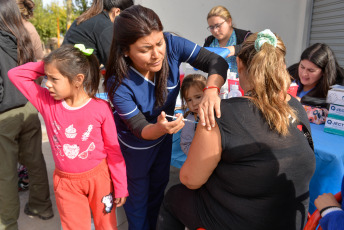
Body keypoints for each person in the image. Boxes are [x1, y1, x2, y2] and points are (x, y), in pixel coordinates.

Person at [157, 29, 316, 230]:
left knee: (173, 196)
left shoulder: (222, 114)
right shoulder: (296, 106)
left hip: (239, 221)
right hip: (292, 220)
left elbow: (190, 179)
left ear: (239, 65)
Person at [104, 5, 228, 230]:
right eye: (145, 49)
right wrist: (160, 128)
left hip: (162, 139)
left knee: (158, 192)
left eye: (159, 43)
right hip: (136, 148)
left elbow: (217, 62)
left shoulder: (172, 44)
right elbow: (139, 127)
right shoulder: (119, 83)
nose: (156, 54)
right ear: (125, 51)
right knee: (137, 204)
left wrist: (211, 90)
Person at [8, 44, 128, 230]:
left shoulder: (100, 108)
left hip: (100, 180)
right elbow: (15, 75)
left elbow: (113, 150)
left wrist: (120, 185)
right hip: (66, 184)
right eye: (46, 77)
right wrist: (49, 64)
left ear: (78, 79)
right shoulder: (47, 102)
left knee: (107, 226)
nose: (47, 83)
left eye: (54, 78)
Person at [0, 0, 53, 229]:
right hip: (29, 106)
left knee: (6, 172)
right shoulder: (24, 35)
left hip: (4, 114)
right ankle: (42, 206)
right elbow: (38, 68)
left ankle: (7, 223)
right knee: (35, 160)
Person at [63, 0, 134, 66]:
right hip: (73, 74)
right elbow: (116, 65)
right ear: (117, 12)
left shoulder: (86, 17)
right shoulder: (105, 26)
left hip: (63, 67)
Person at [204, 5, 251, 74]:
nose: (215, 30)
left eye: (218, 25)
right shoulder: (209, 41)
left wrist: (236, 49)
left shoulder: (245, 36)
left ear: (229, 21)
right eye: (211, 27)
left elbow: (258, 49)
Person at [179, 74, 206, 155]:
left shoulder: (218, 112)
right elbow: (185, 145)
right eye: (189, 100)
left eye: (198, 97)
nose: (194, 103)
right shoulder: (190, 120)